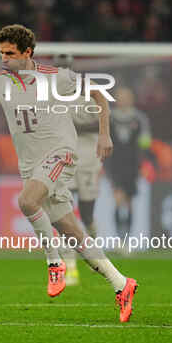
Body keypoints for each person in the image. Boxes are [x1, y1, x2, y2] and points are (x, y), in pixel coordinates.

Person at [0, 24, 138, 322]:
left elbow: (100, 97)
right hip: (31, 165)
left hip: (61, 154)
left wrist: (104, 135)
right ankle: (121, 283)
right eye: (1, 53)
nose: (4, 59)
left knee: (27, 202)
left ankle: (54, 263)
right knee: (74, 232)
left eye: (10, 53)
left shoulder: (57, 77)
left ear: (28, 52)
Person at [53, 53, 103, 286]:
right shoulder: (50, 95)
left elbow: (99, 118)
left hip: (89, 157)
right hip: (64, 156)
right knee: (65, 213)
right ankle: (70, 266)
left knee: (88, 212)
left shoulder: (87, 90)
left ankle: (96, 257)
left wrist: (74, 123)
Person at [104, 87, 151, 241]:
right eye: (120, 97)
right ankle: (118, 238)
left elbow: (145, 142)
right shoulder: (109, 117)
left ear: (131, 100)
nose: (123, 100)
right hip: (115, 164)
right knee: (118, 199)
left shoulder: (139, 118)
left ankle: (128, 239)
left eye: (126, 97)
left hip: (132, 165)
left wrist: (143, 163)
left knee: (129, 202)